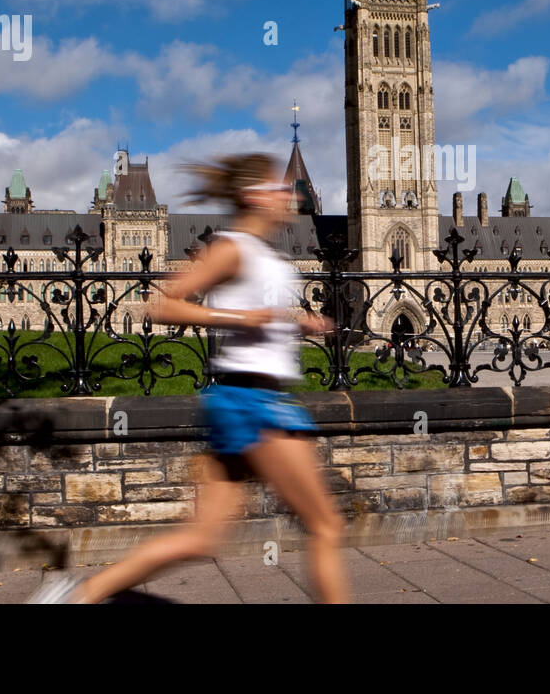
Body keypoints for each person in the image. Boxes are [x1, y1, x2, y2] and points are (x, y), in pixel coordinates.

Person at [30, 153, 348, 603]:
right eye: (278, 187)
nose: (287, 195)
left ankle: (76, 596)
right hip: (253, 404)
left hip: (244, 400)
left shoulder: (263, 252)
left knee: (202, 538)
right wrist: (239, 316)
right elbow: (164, 305)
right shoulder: (233, 247)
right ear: (254, 195)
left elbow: (258, 319)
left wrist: (297, 323)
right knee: (325, 525)